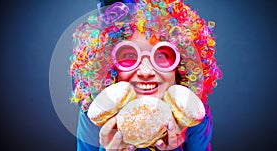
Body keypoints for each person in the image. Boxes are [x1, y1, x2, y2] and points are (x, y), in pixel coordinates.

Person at [69, 0, 222, 150]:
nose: (146, 72)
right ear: (108, 67)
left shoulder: (193, 117)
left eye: (161, 56)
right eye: (129, 56)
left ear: (181, 67)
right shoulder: (93, 117)